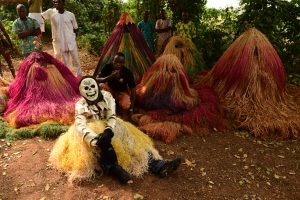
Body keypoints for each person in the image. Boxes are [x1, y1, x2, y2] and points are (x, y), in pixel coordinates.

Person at [49, 76, 181, 183]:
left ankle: (158, 165)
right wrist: (95, 140)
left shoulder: (107, 97)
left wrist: (108, 131)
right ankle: (113, 169)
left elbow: (111, 115)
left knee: (132, 144)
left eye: (92, 86)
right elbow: (80, 125)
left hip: (111, 126)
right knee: (104, 148)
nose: (90, 90)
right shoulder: (80, 105)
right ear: (82, 93)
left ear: (98, 87)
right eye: (86, 88)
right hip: (90, 134)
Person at [4, 37, 80, 128]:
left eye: (39, 44)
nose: (38, 45)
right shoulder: (31, 62)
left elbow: (58, 65)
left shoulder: (44, 58)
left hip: (52, 82)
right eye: (36, 44)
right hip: (38, 82)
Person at [42, 0, 82, 76]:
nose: (56, 4)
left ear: (63, 3)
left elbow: (76, 29)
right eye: (55, 2)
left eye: (59, 2)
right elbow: (56, 29)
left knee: (76, 60)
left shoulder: (71, 15)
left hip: (71, 42)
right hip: (62, 42)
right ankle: (70, 78)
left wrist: (72, 38)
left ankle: (79, 76)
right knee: (66, 62)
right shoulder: (53, 16)